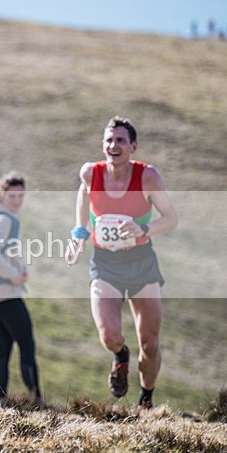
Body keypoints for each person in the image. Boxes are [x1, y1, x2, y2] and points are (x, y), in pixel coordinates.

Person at [66, 116, 178, 409]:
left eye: (120, 140)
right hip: (105, 264)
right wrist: (79, 233)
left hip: (141, 262)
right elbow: (83, 195)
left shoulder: (148, 177)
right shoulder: (91, 174)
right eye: (109, 140)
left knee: (151, 344)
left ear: (133, 147)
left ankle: (146, 398)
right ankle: (120, 356)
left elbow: (171, 218)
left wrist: (145, 229)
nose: (113, 145)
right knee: (109, 335)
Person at [0, 172, 42, 409]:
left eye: (21, 196)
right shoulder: (3, 219)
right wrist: (13, 275)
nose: (17, 201)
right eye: (13, 196)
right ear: (3, 194)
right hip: (4, 294)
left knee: (4, 348)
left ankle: (2, 401)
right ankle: (36, 399)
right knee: (27, 345)